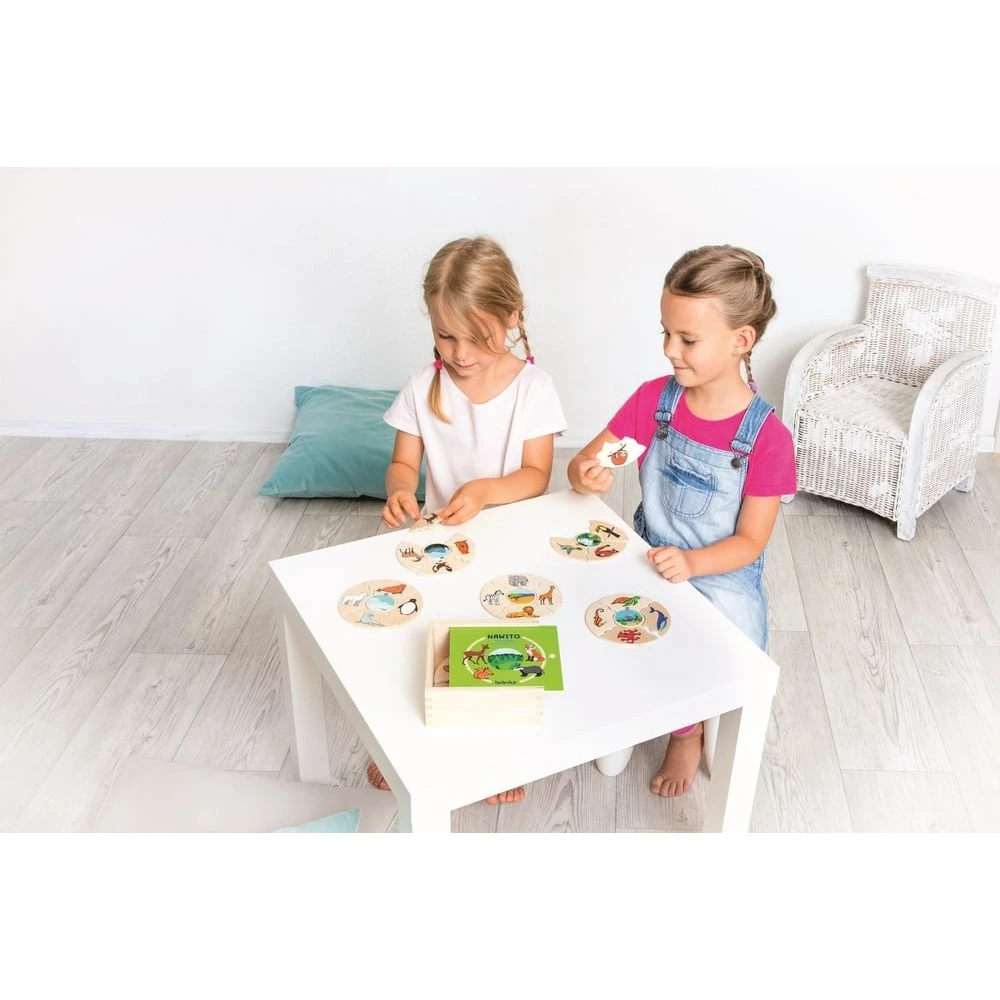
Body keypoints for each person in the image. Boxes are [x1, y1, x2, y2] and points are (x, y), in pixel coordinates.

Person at [568, 245, 796, 797]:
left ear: (741, 340)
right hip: (646, 555)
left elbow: (750, 542)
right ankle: (625, 710)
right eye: (666, 333)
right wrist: (585, 474)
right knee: (594, 624)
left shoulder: (768, 439)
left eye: (687, 339)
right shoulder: (655, 402)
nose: (670, 349)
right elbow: (584, 463)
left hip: (719, 576)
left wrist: (692, 564)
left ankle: (687, 731)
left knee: (714, 660)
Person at [370, 235, 568, 805]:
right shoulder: (422, 386)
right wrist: (400, 490)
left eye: (476, 337)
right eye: (444, 335)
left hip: (512, 544)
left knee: (502, 645)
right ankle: (398, 748)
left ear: (512, 317)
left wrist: (484, 491)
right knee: (416, 638)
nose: (459, 353)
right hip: (443, 544)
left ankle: (498, 755)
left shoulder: (533, 389)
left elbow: (536, 476)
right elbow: (403, 462)